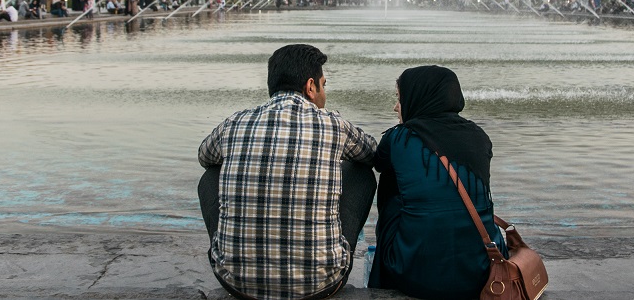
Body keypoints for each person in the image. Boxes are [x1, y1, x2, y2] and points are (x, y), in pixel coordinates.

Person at [197, 44, 377, 300]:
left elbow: (204, 156)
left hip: (235, 283)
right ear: (311, 86)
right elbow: (372, 153)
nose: (324, 93)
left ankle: (234, 253)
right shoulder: (334, 125)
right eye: (324, 85)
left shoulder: (234, 123)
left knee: (211, 174)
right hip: (320, 285)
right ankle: (330, 254)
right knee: (360, 171)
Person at [368, 65, 507, 300]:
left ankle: (383, 274)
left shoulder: (399, 137)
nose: (395, 107)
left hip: (415, 274)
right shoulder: (480, 136)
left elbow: (377, 162)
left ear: (418, 97)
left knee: (392, 179)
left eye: (399, 99)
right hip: (484, 269)